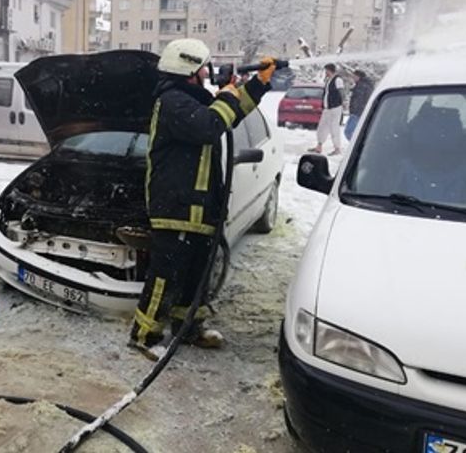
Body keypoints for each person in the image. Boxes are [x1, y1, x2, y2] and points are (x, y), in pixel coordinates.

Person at [129, 38, 274, 356]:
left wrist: (257, 86)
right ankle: (145, 335)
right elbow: (209, 126)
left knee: (196, 275)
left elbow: (228, 115)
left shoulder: (194, 101)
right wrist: (226, 95)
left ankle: (188, 328)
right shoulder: (172, 102)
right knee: (165, 277)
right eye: (204, 67)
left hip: (200, 208)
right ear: (191, 68)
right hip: (177, 208)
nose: (209, 72)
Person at [309, 63, 345, 155]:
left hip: (335, 107)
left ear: (330, 70)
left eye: (326, 70)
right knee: (322, 127)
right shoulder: (329, 80)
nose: (326, 72)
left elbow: (341, 93)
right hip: (327, 108)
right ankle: (319, 146)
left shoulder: (338, 80)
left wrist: (340, 103)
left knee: (334, 128)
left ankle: (337, 148)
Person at [344, 69, 373, 141]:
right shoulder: (363, 85)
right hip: (358, 112)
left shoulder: (362, 86)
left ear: (358, 76)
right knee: (354, 132)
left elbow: (360, 99)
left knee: (349, 132)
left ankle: (356, 147)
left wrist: (355, 108)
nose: (353, 78)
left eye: (354, 76)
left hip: (357, 112)